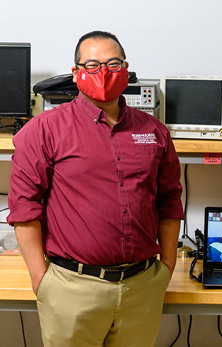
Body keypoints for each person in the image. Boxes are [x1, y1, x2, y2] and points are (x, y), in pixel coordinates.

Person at [7, 31, 184, 347]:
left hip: (141, 289)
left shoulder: (154, 132)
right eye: (92, 65)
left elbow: (169, 201)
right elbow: (24, 206)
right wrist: (40, 279)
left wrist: (166, 268)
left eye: (113, 64)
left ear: (126, 70)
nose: (103, 73)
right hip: (71, 289)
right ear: (75, 74)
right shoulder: (44, 130)